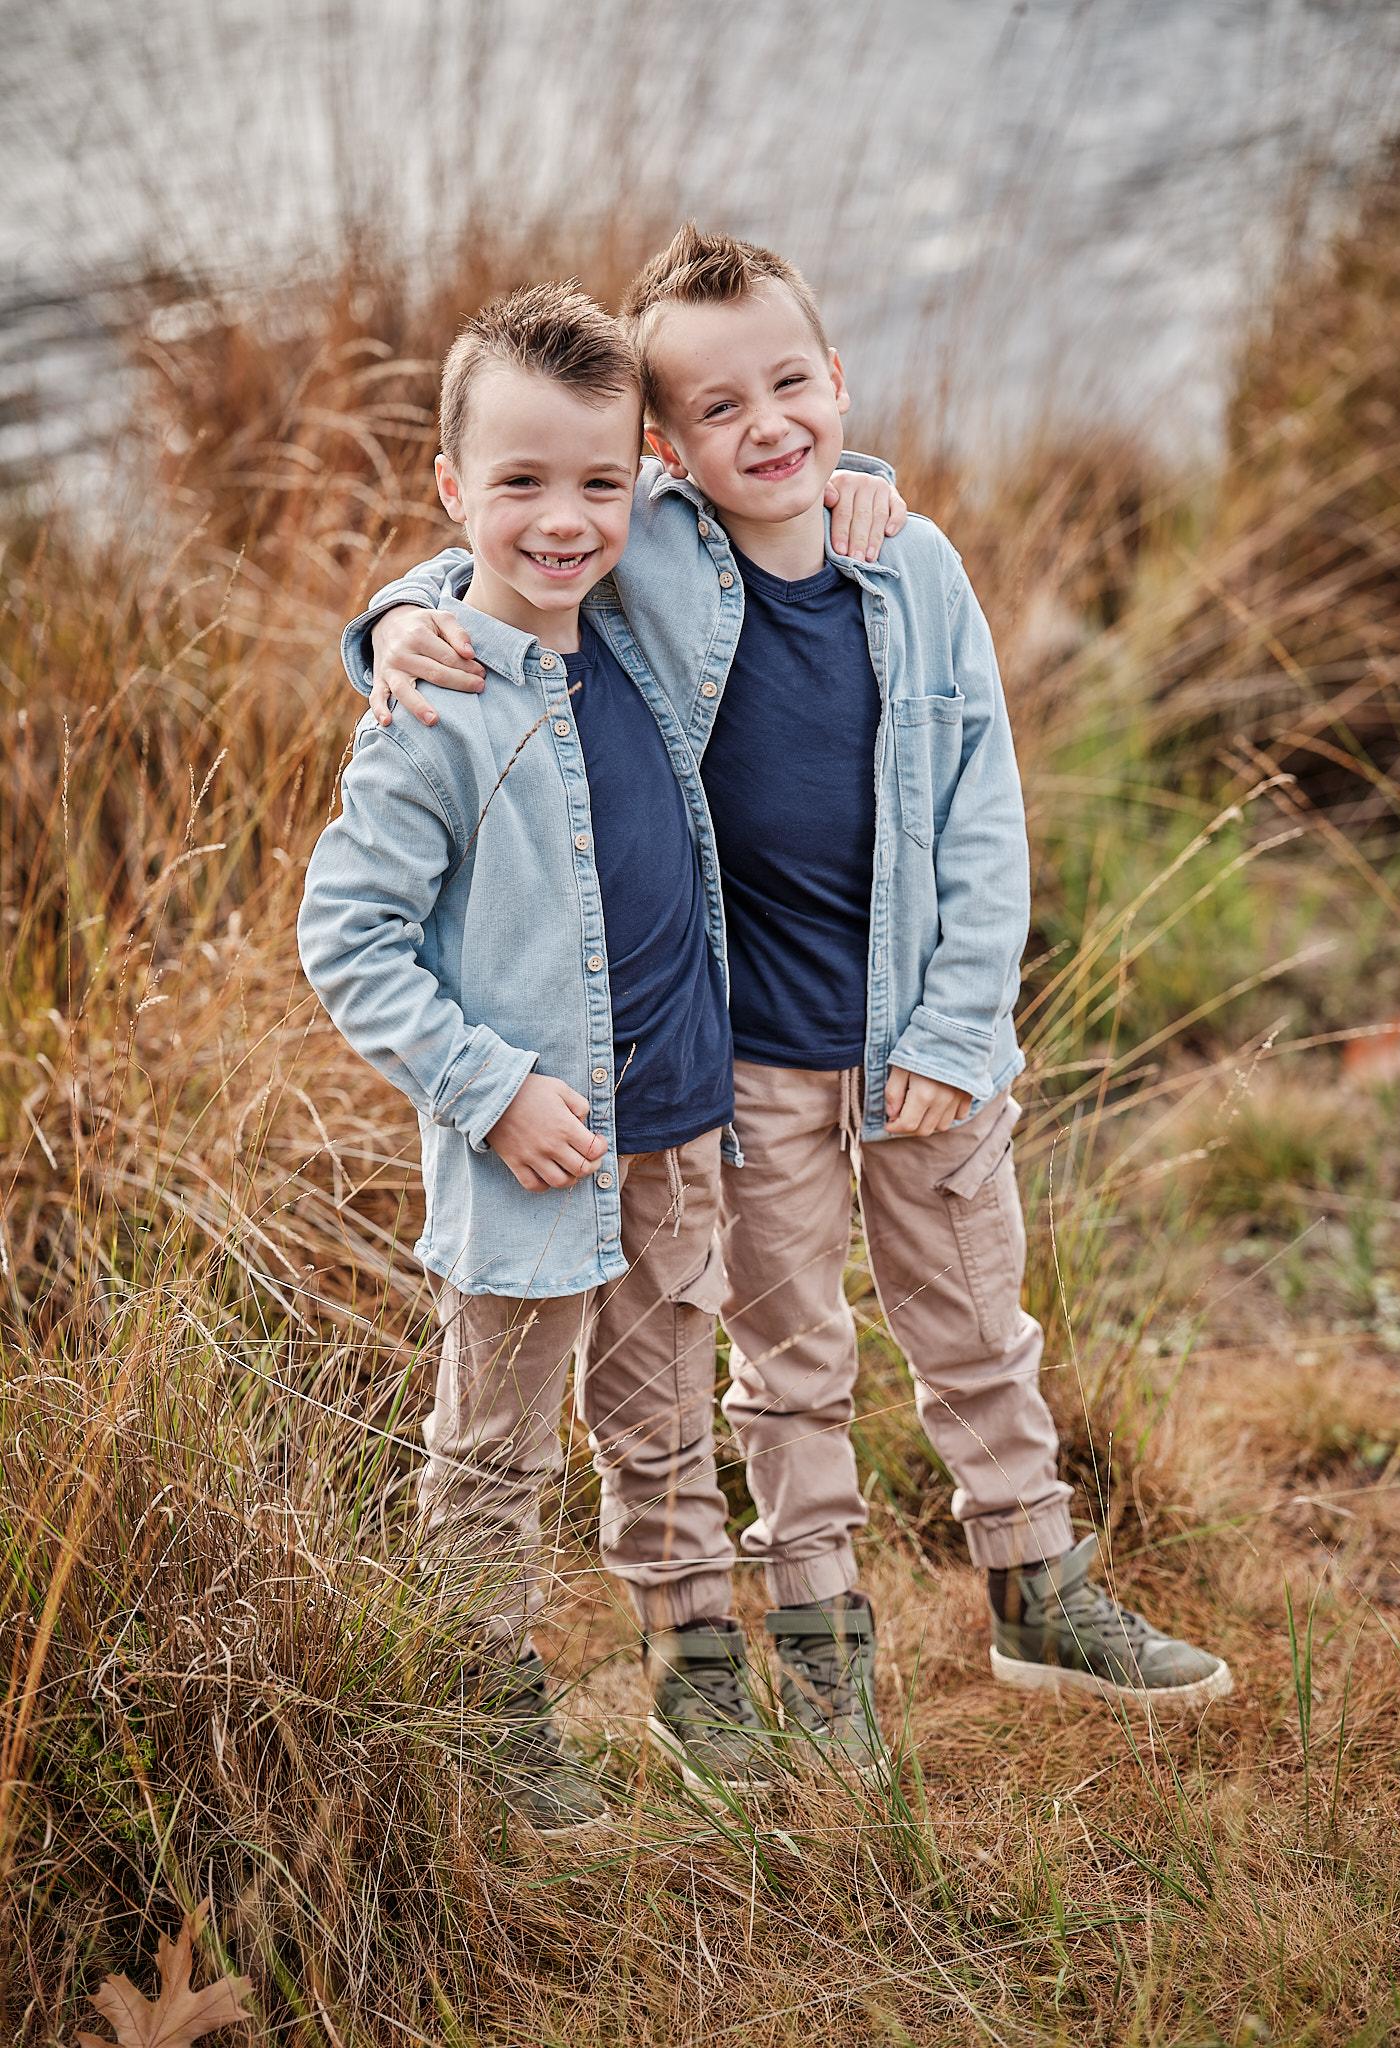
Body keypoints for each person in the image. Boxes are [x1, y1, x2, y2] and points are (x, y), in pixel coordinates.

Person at [345, 228, 1232, 1775]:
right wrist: (389, 621)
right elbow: (515, 549)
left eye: (793, 386)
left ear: (837, 381)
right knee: (789, 1362)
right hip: (746, 1061)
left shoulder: (914, 564)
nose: (765, 427)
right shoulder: (653, 564)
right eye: (714, 410)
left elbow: (982, 816)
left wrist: (961, 1028)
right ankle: (821, 1645)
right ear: (669, 452)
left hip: (916, 1041)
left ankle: (1039, 1580)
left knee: (977, 1328)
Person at [300, 280, 906, 1825]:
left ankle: (695, 1668)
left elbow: (755, 498)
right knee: (493, 1446)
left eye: (594, 483)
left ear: (638, 474)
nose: (562, 522)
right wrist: (491, 1091)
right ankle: (475, 1703)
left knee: (662, 1411)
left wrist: (865, 483)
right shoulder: (432, 708)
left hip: (680, 1119)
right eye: (518, 484)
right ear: (452, 492)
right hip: (532, 1150)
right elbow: (348, 942)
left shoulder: (637, 627)